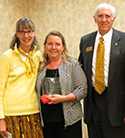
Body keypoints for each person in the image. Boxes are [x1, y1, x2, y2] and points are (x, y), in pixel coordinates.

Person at [78, 3, 125, 138]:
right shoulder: (85, 41)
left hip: (116, 106)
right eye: (100, 16)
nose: (104, 19)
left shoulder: (123, 40)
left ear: (113, 19)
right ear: (95, 19)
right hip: (92, 104)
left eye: (107, 16)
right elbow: (81, 67)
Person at [36, 31, 87, 138]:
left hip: (69, 122)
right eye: (50, 44)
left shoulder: (73, 65)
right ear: (45, 46)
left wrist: (63, 98)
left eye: (57, 44)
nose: (53, 47)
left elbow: (82, 89)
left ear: (63, 47)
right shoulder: (40, 68)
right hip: (47, 122)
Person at [0, 17, 44, 138]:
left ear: (34, 33)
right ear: (17, 34)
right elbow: (0, 90)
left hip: (34, 113)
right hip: (11, 116)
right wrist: (1, 119)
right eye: (22, 32)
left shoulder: (38, 55)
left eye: (29, 31)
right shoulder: (7, 57)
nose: (26, 35)